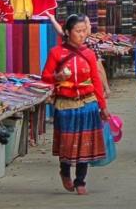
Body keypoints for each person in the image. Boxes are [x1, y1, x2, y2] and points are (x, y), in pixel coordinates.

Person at [42, 14, 108, 195]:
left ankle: (81, 180)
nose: (82, 35)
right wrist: (57, 77)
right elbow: (45, 77)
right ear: (67, 32)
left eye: (84, 31)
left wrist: (103, 107)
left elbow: (95, 80)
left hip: (88, 104)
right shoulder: (56, 53)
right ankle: (64, 171)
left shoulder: (89, 53)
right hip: (65, 105)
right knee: (67, 144)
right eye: (78, 31)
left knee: (85, 144)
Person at [46, 12, 111, 100]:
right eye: (88, 24)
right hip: (70, 99)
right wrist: (106, 87)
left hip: (88, 95)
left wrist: (53, 19)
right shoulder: (90, 44)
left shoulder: (74, 40)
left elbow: (61, 32)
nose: (90, 26)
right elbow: (99, 68)